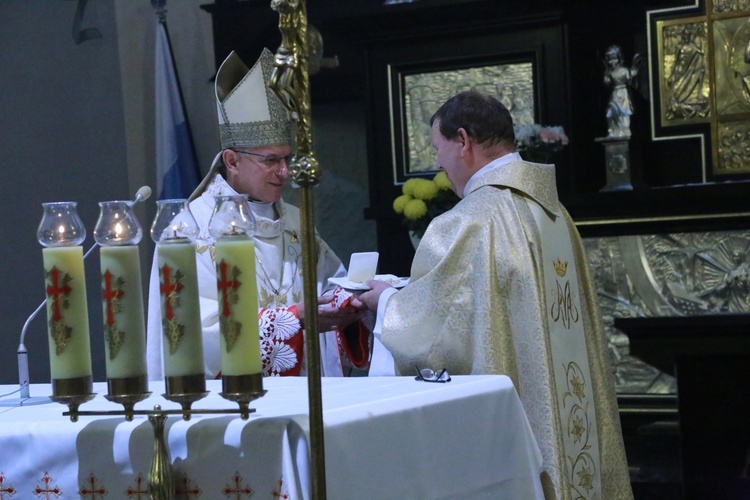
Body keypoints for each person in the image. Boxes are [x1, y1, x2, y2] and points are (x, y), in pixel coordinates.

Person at [353, 91, 632, 499]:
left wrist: (386, 303)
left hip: (518, 422)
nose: (438, 163)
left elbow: (432, 330)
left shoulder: (469, 221)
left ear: (462, 141)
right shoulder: (555, 214)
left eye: (438, 148)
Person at [147, 49, 370, 380]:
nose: (284, 172)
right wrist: (292, 319)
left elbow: (330, 287)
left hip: (308, 396)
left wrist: (351, 302)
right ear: (232, 160)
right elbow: (189, 337)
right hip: (235, 405)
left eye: (287, 159)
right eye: (270, 160)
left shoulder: (295, 221)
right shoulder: (189, 232)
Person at [603, 45, 640, 138]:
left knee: (624, 114)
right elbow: (606, 83)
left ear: (619, 58)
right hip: (614, 94)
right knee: (610, 113)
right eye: (610, 59)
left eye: (614, 59)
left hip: (623, 94)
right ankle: (612, 131)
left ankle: (624, 131)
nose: (612, 62)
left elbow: (631, 81)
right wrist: (606, 75)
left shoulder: (624, 70)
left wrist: (634, 70)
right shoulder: (609, 72)